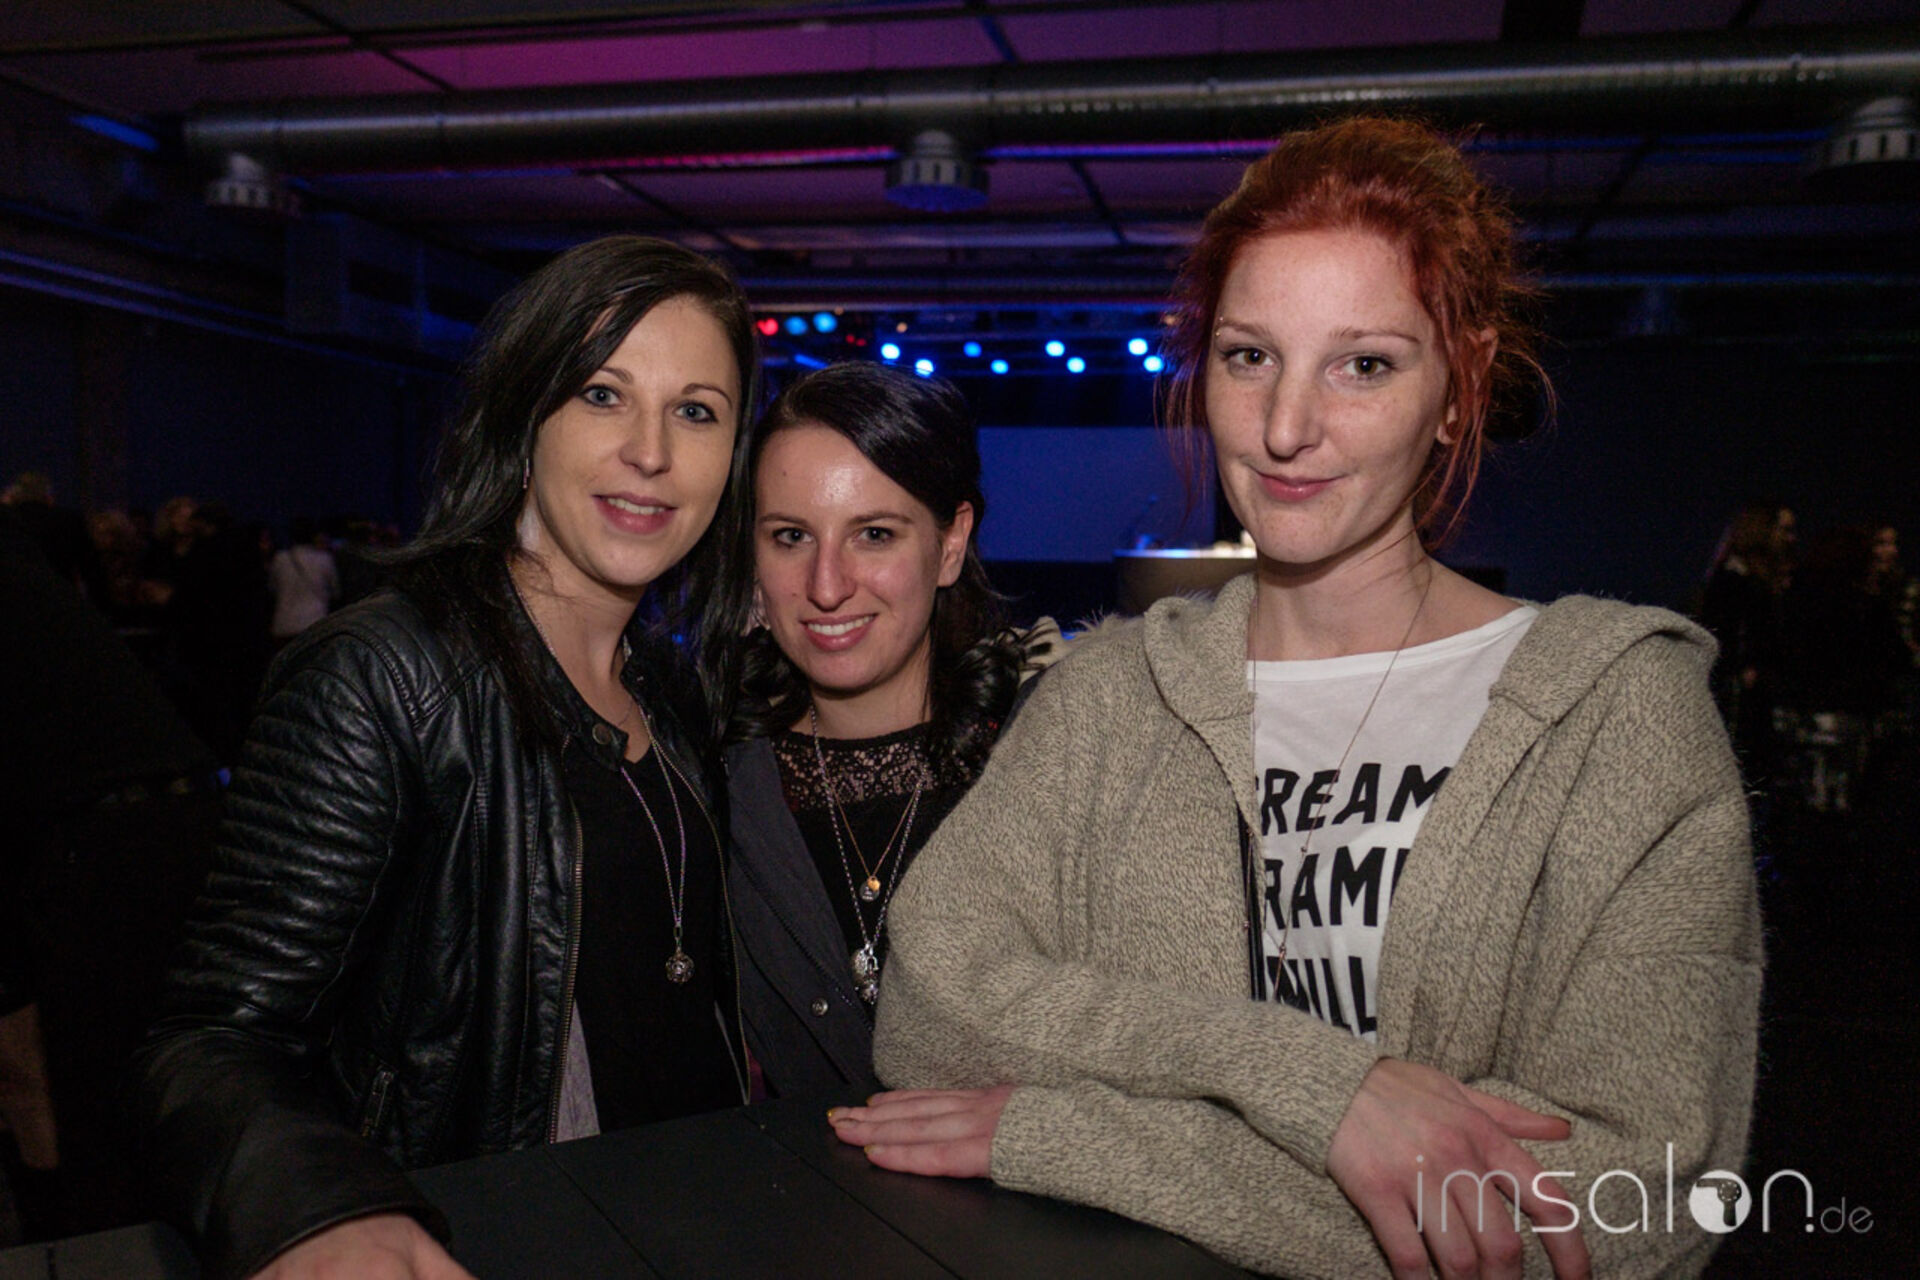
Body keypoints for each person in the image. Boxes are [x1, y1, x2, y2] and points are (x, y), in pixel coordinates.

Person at [830, 117, 1762, 1279]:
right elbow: (931, 1003)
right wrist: (1324, 1086)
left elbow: (1637, 1195)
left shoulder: (1617, 719)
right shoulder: (1112, 695)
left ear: (1458, 389)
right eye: (1249, 356)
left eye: (1362, 364)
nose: (1284, 429)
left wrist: (1077, 1136)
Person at [132, 235, 760, 1280]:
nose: (651, 451)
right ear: (524, 415)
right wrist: (316, 1209)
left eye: (696, 411)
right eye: (602, 394)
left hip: (693, 1225)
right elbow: (210, 1037)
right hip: (496, 1238)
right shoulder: (384, 673)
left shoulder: (671, 686)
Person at [702, 362, 1059, 1098]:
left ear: (950, 543)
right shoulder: (709, 785)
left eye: (873, 534)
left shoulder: (1051, 756)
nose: (827, 585)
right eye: (791, 536)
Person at [267, 516, 340, 644]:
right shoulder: (324, 559)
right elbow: (335, 591)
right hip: (315, 622)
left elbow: (272, 588)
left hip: (285, 624)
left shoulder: (280, 559)